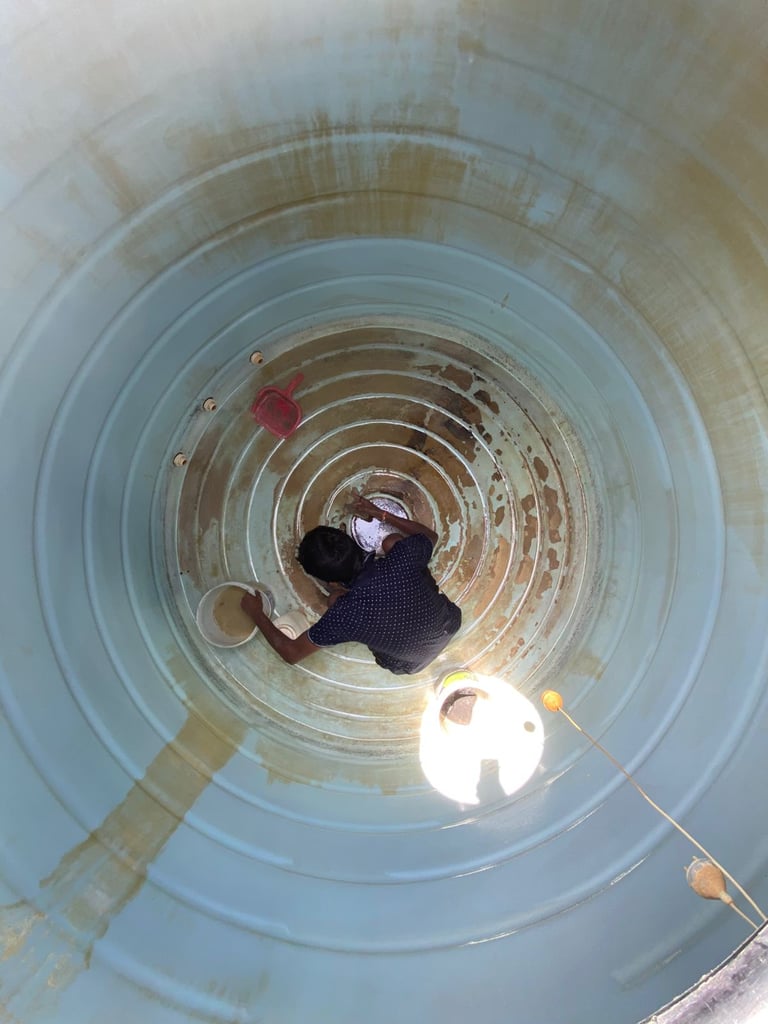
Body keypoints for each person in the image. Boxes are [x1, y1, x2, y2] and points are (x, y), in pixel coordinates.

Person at [240, 492, 461, 674]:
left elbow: (291, 653)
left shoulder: (344, 616)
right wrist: (381, 514)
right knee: (392, 542)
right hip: (449, 624)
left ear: (331, 581)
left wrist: (256, 613)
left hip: (409, 663)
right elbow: (430, 536)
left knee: (334, 601)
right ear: (351, 542)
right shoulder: (403, 558)